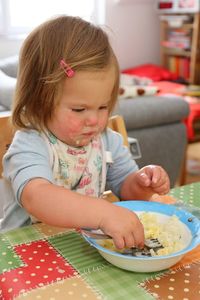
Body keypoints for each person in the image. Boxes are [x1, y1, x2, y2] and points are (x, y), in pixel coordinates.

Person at [0, 15, 170, 250]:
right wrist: (102, 213)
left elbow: (126, 187)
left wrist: (143, 183)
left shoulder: (105, 140)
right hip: (25, 256)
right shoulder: (31, 143)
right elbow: (36, 197)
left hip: (80, 251)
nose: (95, 120)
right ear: (40, 101)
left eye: (103, 106)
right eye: (79, 109)